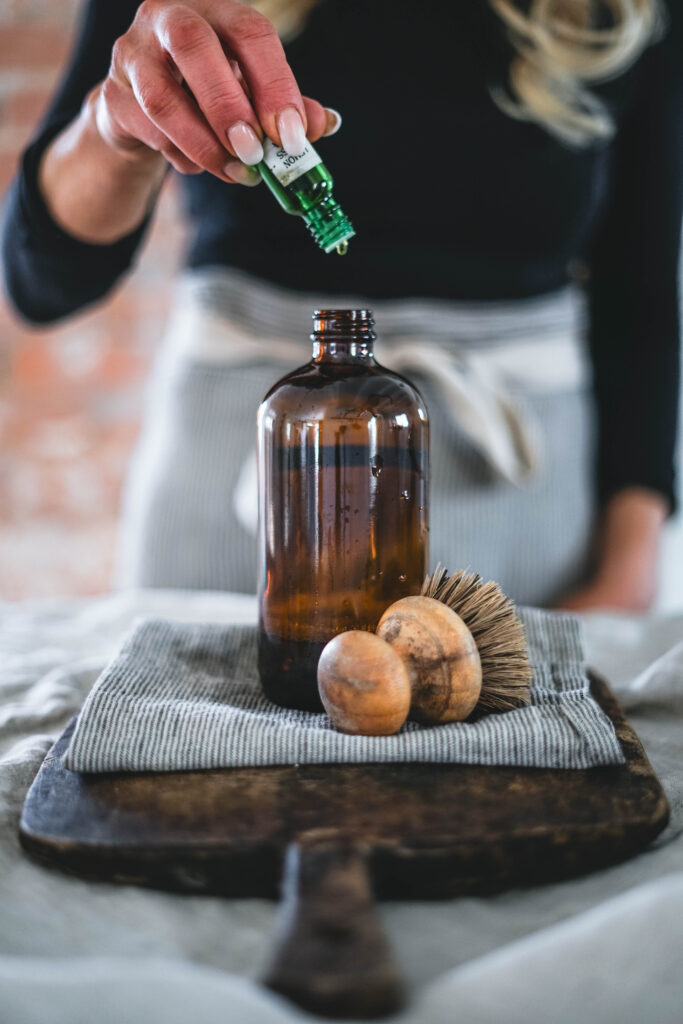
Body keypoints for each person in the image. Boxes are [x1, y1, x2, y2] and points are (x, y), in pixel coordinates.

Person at [2, 0, 681, 609]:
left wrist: (630, 567)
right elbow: (42, 281)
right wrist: (115, 127)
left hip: (510, 480)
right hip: (239, 489)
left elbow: (640, 296)